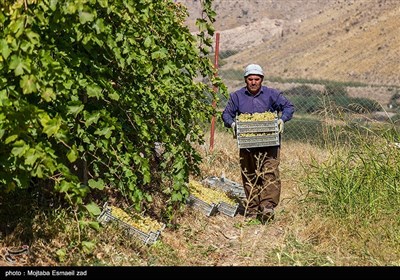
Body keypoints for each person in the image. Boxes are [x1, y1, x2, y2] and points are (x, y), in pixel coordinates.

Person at [221, 63, 295, 223]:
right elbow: (226, 113)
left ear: (261, 79)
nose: (253, 82)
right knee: (250, 174)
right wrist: (232, 123)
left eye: (256, 79)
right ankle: (253, 209)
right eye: (250, 79)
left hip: (269, 143)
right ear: (245, 80)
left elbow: (288, 107)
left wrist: (282, 119)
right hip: (248, 143)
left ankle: (267, 206)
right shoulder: (237, 96)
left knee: (270, 172)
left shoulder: (271, 94)